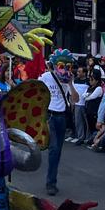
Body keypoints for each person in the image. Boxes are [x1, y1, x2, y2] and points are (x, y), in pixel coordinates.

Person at [39, 52, 77, 195]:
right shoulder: (45, 77)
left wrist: (71, 84)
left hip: (62, 117)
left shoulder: (68, 79)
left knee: (58, 151)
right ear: (54, 65)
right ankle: (51, 183)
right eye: (61, 66)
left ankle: (52, 179)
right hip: (49, 116)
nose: (64, 69)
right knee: (54, 149)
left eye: (68, 66)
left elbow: (75, 99)